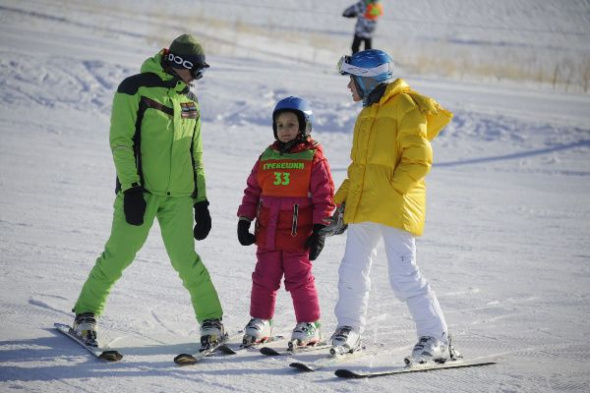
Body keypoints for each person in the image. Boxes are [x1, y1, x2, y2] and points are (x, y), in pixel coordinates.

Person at [71, 34, 225, 350]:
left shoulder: (190, 100)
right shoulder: (134, 88)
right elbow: (121, 142)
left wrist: (202, 202)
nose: (198, 78)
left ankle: (212, 321)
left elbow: (195, 155)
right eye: (197, 71)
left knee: (187, 262)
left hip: (179, 197)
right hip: (140, 193)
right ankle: (85, 314)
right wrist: (130, 189)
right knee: (118, 255)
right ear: (180, 64)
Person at [324, 49, 460, 365]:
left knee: (403, 275)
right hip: (366, 205)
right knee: (352, 270)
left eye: (351, 81)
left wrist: (391, 191)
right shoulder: (366, 114)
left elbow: (418, 160)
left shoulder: (406, 107)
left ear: (367, 79)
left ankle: (437, 338)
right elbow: (358, 167)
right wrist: (340, 203)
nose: (348, 88)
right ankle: (349, 329)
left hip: (395, 206)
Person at [236, 96, 335, 348]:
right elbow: (252, 191)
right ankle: (261, 320)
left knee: (299, 280)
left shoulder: (313, 158)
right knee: (263, 278)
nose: (285, 130)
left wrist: (320, 230)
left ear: (304, 127)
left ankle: (309, 324)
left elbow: (325, 197)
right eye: (280, 125)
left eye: (291, 124)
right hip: (266, 233)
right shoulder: (267, 156)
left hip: (297, 236)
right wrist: (244, 219)